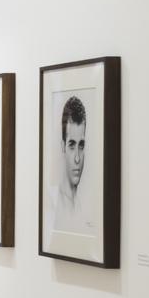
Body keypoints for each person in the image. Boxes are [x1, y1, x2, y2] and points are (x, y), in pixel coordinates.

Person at [52, 95, 92, 232]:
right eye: (71, 145)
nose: (77, 158)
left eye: (81, 146)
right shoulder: (53, 206)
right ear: (63, 146)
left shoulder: (84, 209)